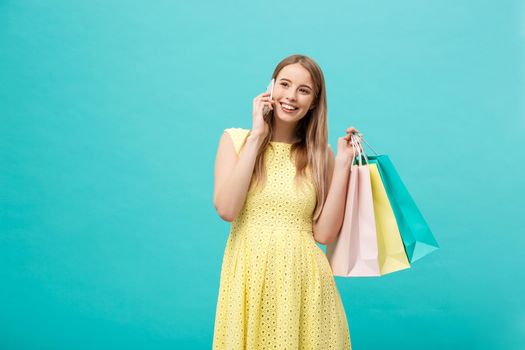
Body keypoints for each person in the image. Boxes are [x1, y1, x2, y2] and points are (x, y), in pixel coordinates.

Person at [212, 54, 359, 349]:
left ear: (314, 102)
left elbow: (324, 235)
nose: (290, 96)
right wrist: (257, 137)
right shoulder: (236, 140)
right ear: (270, 87)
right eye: (284, 84)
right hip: (248, 283)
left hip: (303, 287)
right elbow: (227, 209)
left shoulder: (320, 155)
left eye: (303, 90)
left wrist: (343, 164)